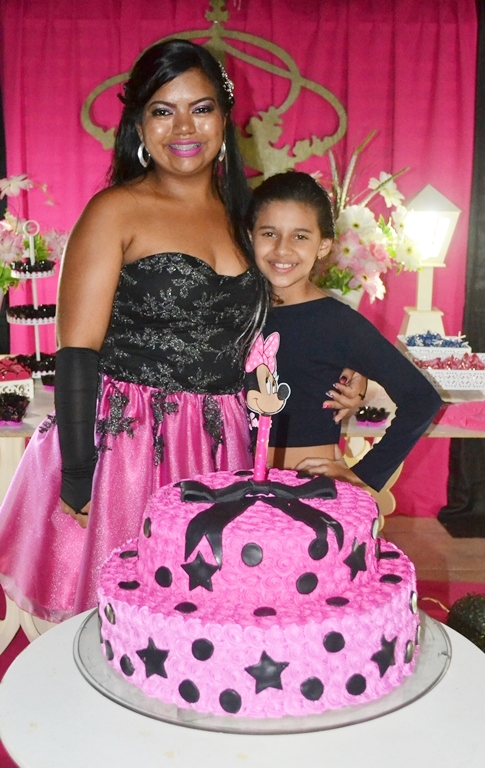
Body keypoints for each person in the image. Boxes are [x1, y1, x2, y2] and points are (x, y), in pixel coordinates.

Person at [0, 43, 360, 624]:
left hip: (223, 444)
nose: (184, 128)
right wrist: (78, 475)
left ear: (225, 117)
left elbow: (283, 318)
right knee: (123, 620)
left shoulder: (247, 217)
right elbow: (77, 351)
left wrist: (348, 367)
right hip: (126, 450)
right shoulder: (115, 211)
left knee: (209, 619)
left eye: (202, 108)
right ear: (139, 123)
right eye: (163, 111)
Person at [248, 171, 443, 492]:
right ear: (250, 236)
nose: (282, 249)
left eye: (300, 236)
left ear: (324, 246)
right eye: (269, 233)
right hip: (237, 481)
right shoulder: (236, 314)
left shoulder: (338, 323)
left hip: (308, 485)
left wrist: (364, 474)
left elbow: (421, 398)